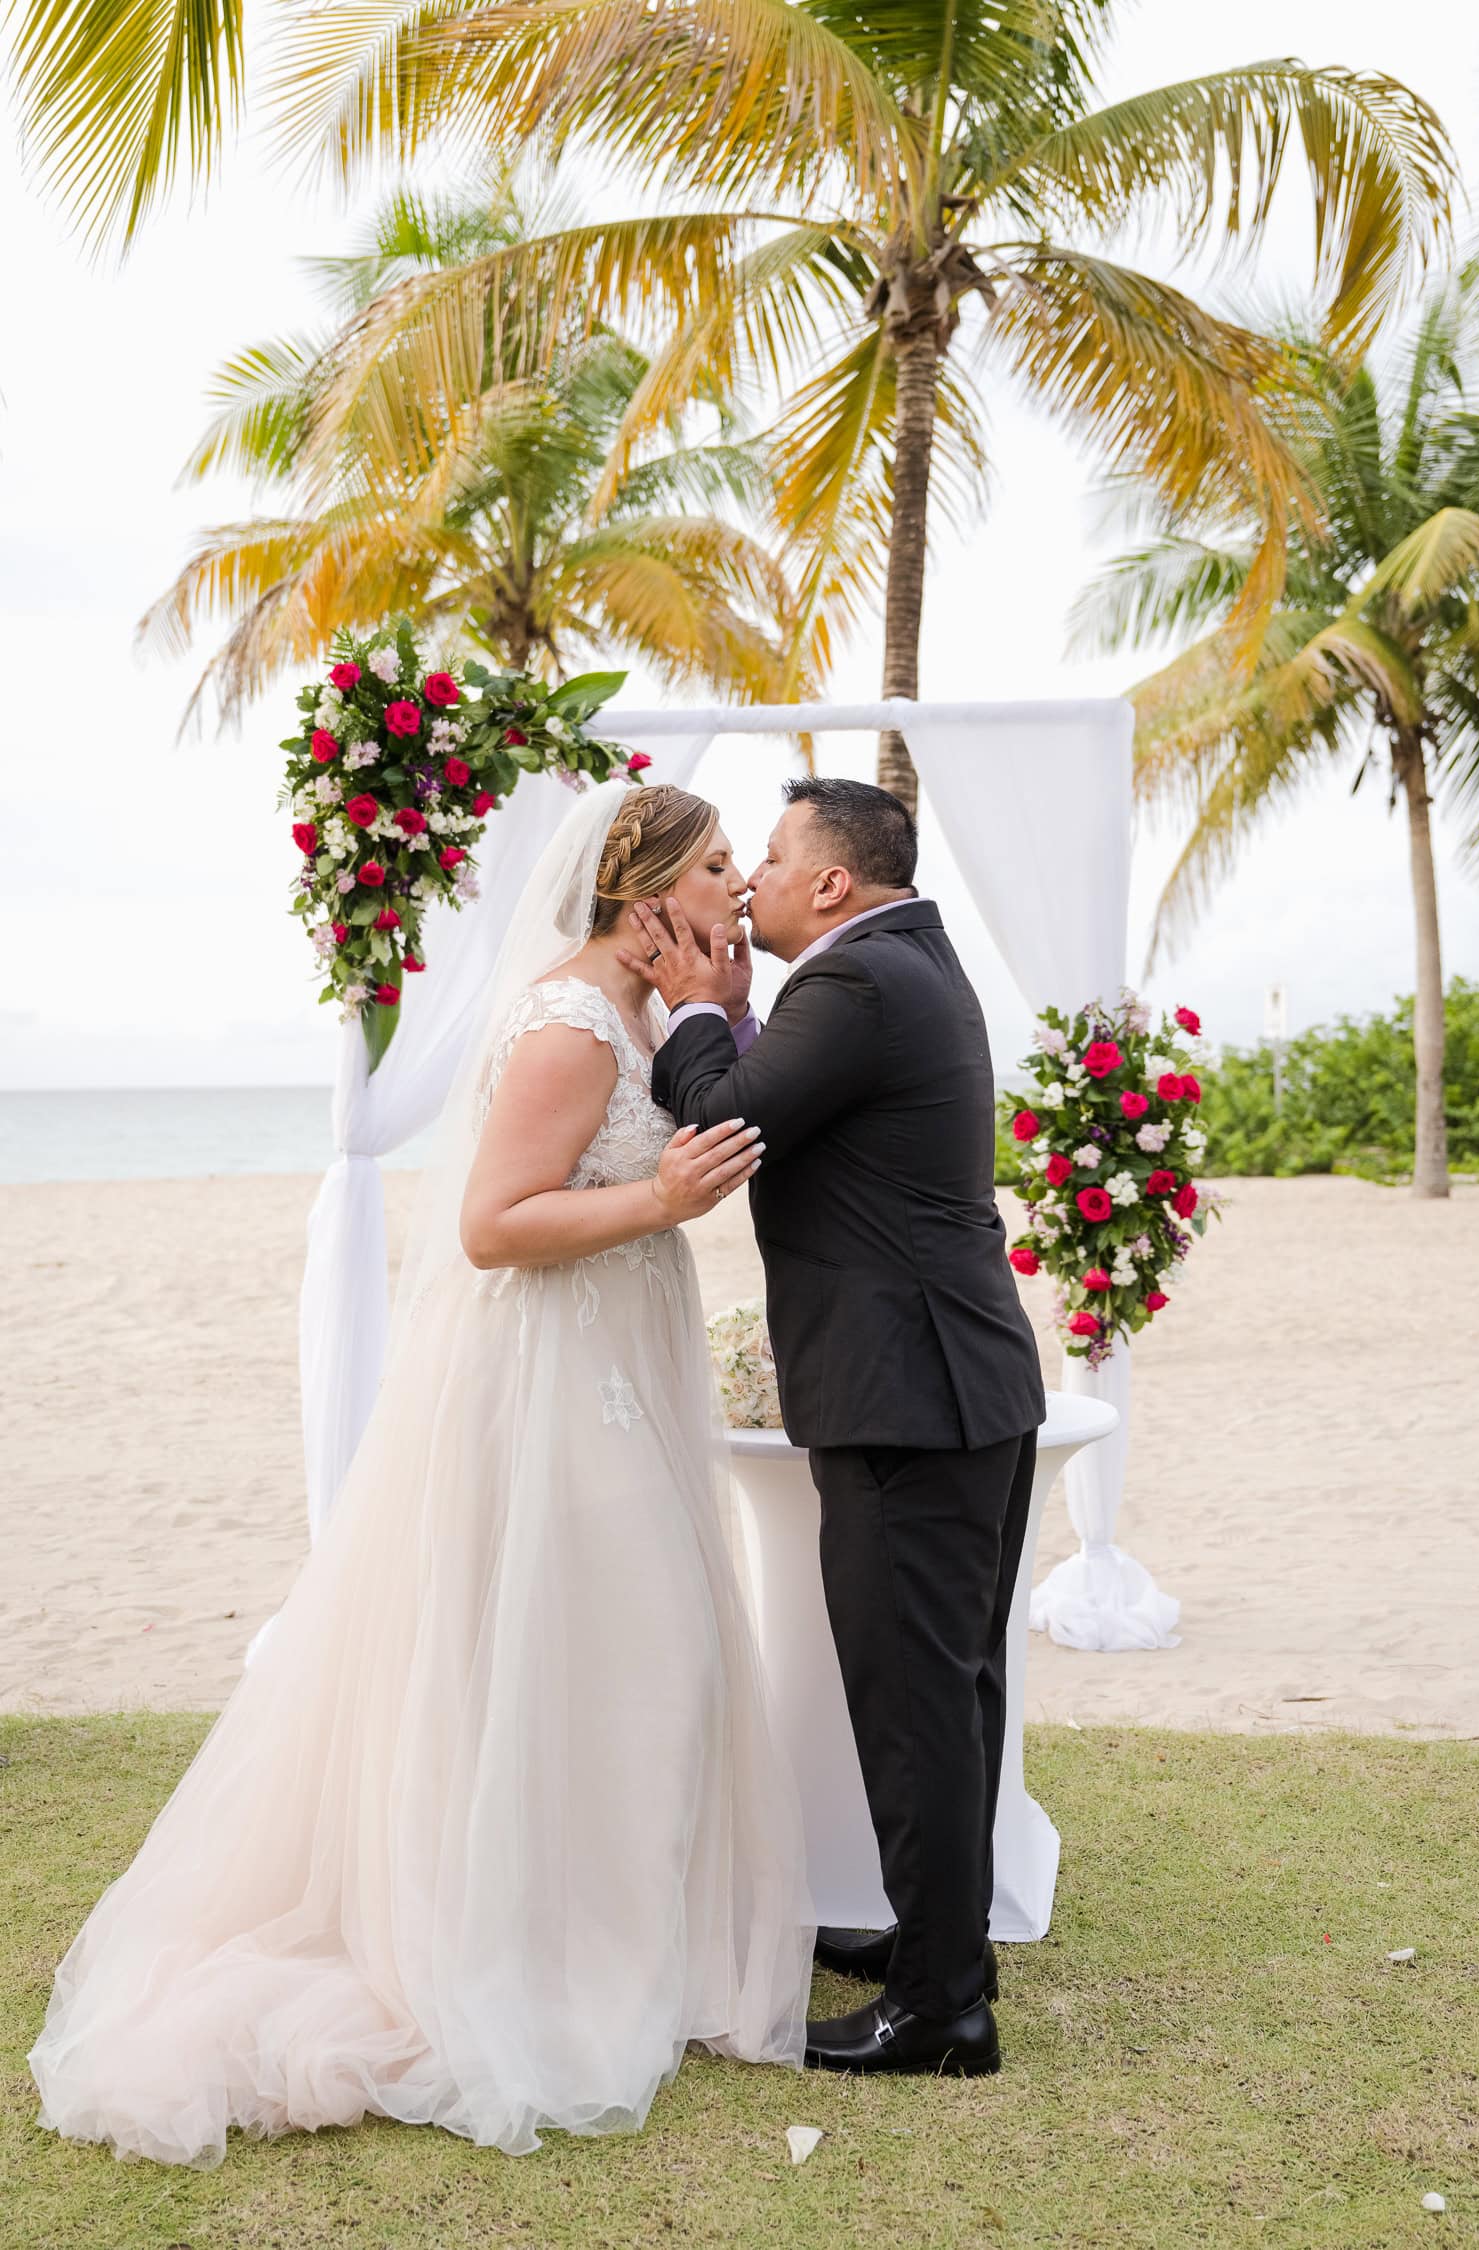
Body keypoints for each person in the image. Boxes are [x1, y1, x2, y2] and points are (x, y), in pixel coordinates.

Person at [28, 780, 812, 2168]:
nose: (739, 886)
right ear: (646, 894)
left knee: (645, 1652)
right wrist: (658, 1201)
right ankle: (544, 1960)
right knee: (610, 1649)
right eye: (719, 867)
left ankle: (627, 1946)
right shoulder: (570, 1025)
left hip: (625, 1351)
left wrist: (727, 1001)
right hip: (562, 1378)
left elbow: (715, 1100)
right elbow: (492, 1222)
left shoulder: (652, 1010)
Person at [622, 775, 1046, 2078]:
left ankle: (939, 2012)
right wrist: (739, 1010)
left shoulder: (860, 985)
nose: (744, 876)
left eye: (770, 853)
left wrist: (698, 1001)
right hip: (958, 1382)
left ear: (831, 883)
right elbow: (788, 1095)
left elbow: (720, 1113)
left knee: (919, 1697)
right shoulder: (901, 965)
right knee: (954, 1690)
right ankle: (941, 1946)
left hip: (909, 1397)